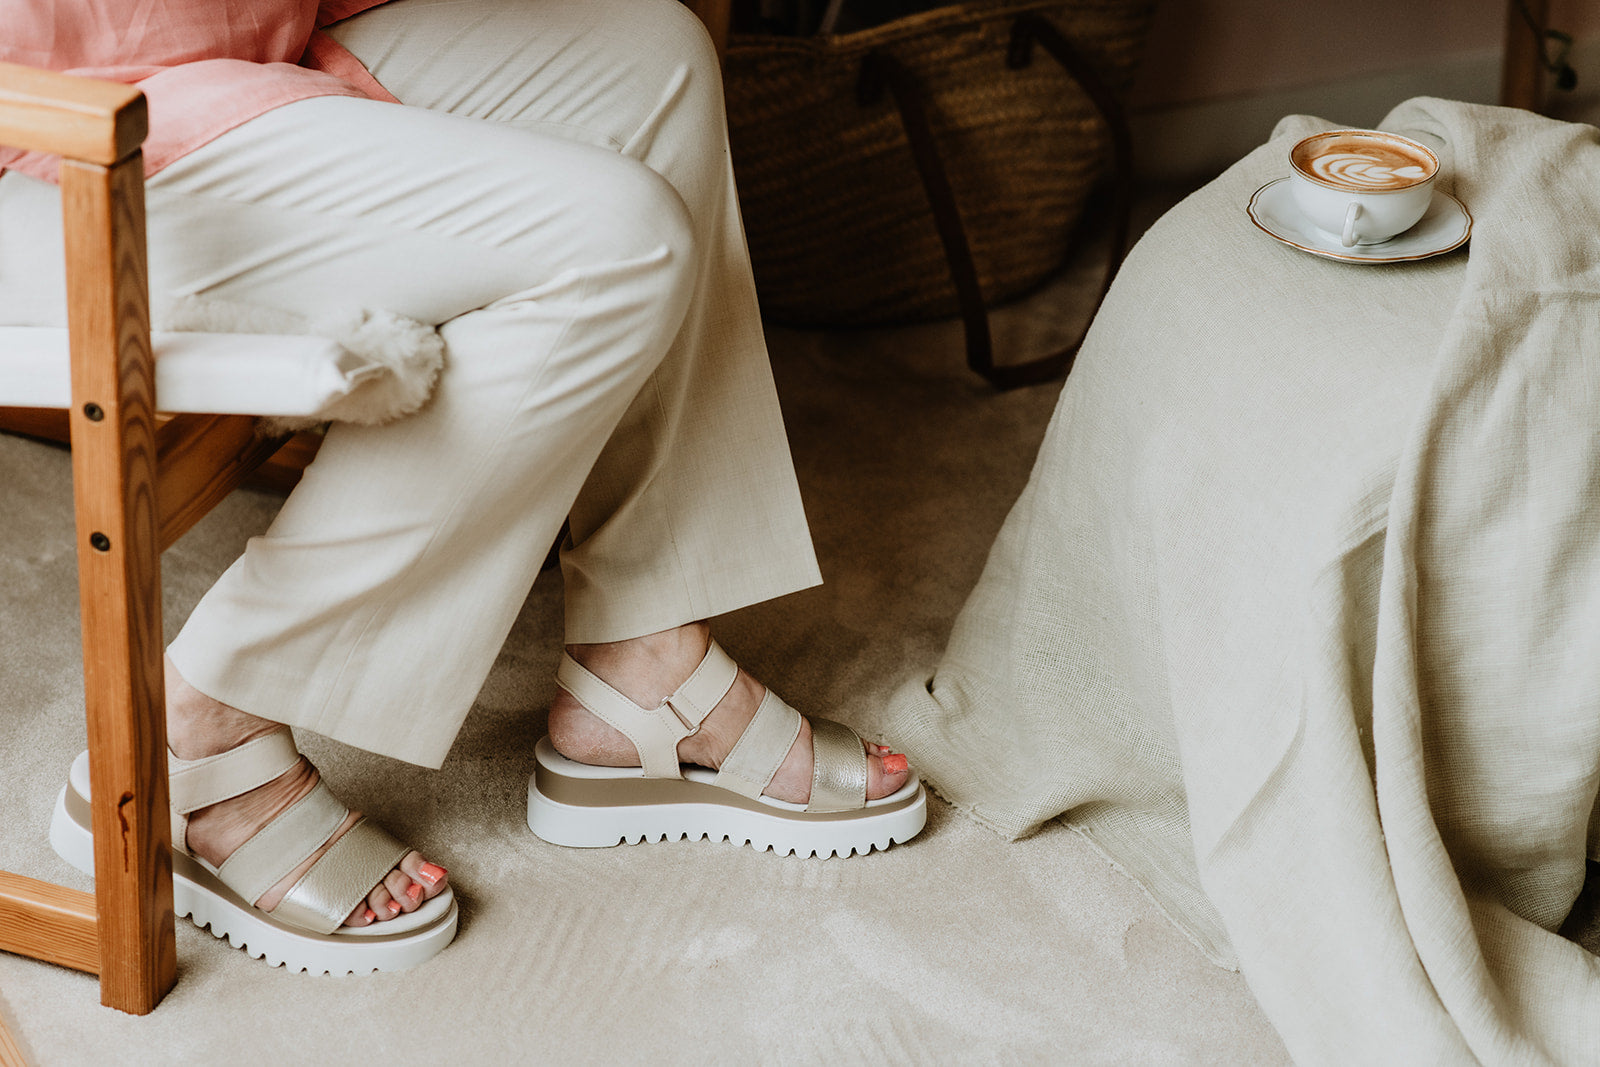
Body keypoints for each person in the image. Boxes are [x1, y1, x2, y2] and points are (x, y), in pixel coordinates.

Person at [5, 0, 926, 974]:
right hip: (52, 128)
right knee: (617, 238)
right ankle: (203, 724)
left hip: (227, 46)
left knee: (655, 60)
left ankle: (642, 653)